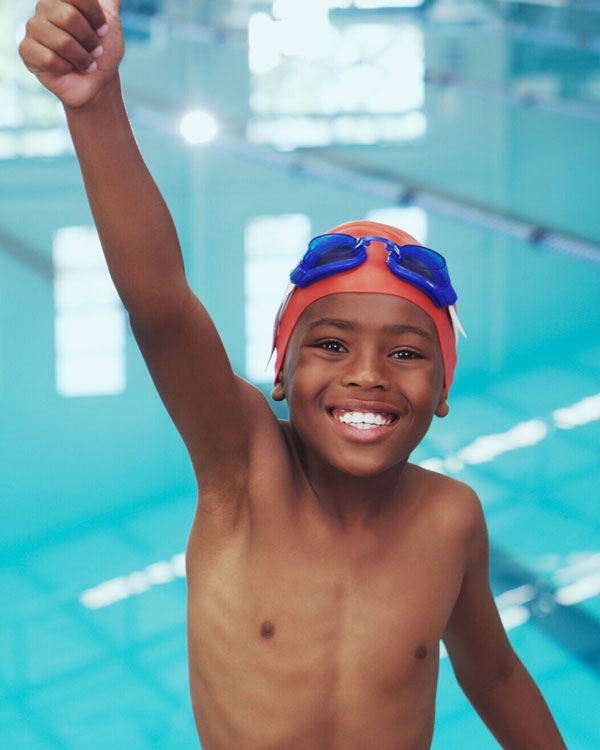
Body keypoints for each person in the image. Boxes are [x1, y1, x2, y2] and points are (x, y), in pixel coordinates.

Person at [19, 2, 567, 748]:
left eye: (407, 352)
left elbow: (496, 676)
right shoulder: (243, 474)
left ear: (443, 391)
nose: (368, 375)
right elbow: (161, 307)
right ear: (279, 374)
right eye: (332, 346)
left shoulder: (450, 521)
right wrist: (95, 105)